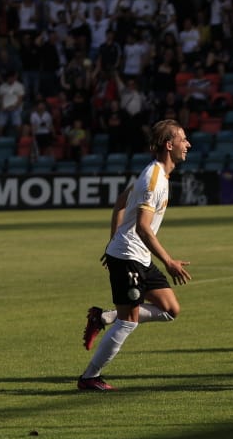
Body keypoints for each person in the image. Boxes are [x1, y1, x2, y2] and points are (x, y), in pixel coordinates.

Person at [78, 120, 193, 391]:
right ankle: (89, 377)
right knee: (128, 322)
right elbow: (142, 227)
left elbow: (120, 202)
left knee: (170, 310)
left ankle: (104, 317)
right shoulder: (153, 179)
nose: (188, 144)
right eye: (183, 139)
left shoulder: (157, 175)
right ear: (169, 145)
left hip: (136, 255)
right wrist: (169, 262)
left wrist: (113, 240)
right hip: (128, 256)